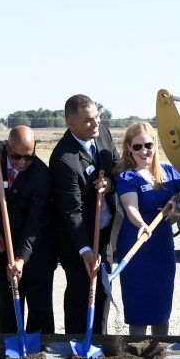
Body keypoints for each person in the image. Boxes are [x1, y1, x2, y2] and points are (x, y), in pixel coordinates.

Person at [0, 126, 55, 337]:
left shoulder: (41, 175)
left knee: (39, 310)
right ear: (7, 146)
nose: (22, 162)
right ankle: (8, 354)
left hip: (35, 252)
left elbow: (36, 222)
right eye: (16, 157)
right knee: (6, 307)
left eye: (28, 157)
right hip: (0, 248)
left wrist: (20, 259)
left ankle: (39, 355)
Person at [50, 94, 118, 339]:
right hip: (77, 238)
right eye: (88, 121)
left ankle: (100, 341)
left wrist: (110, 183)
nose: (96, 124)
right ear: (71, 123)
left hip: (105, 231)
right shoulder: (63, 159)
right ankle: (76, 343)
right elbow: (71, 212)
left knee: (103, 289)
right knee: (81, 289)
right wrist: (84, 249)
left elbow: (118, 168)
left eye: (97, 117)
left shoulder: (104, 134)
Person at [113, 120, 180, 334]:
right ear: (128, 148)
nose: (144, 151)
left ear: (155, 143)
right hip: (137, 246)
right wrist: (142, 224)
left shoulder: (170, 173)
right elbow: (130, 207)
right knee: (139, 311)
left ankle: (158, 358)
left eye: (148, 145)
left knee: (161, 311)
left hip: (162, 247)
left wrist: (176, 208)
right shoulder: (127, 177)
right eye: (137, 147)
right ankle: (135, 357)